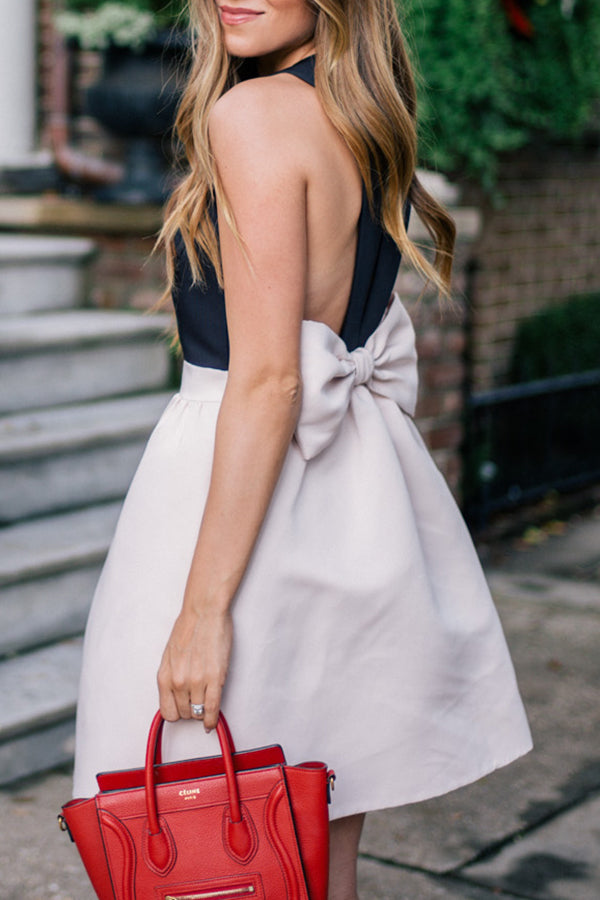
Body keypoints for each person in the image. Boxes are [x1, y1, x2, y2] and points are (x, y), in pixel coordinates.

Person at [73, 2, 532, 897]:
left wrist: (203, 609)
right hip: (346, 502)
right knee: (307, 854)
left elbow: (271, 379)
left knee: (193, 836)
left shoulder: (250, 116)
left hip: (237, 506)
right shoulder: (360, 117)